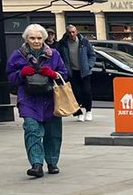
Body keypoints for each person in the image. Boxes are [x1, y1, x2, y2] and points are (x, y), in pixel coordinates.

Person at [7, 23, 68, 178]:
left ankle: (52, 162)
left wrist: (53, 73)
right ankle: (37, 164)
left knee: (53, 132)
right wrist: (21, 73)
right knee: (32, 129)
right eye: (32, 38)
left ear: (44, 38)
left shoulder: (53, 54)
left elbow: (64, 74)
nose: (36, 41)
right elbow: (10, 77)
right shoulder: (18, 55)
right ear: (26, 39)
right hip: (28, 99)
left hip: (51, 99)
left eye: (39, 38)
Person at [57, 24, 96, 122]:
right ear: (67, 33)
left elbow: (92, 55)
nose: (72, 34)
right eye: (69, 32)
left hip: (84, 71)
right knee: (75, 93)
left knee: (86, 91)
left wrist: (89, 65)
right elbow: (58, 57)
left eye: (73, 32)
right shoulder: (62, 43)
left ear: (77, 32)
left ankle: (88, 111)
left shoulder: (84, 42)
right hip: (72, 72)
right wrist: (63, 69)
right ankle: (78, 113)